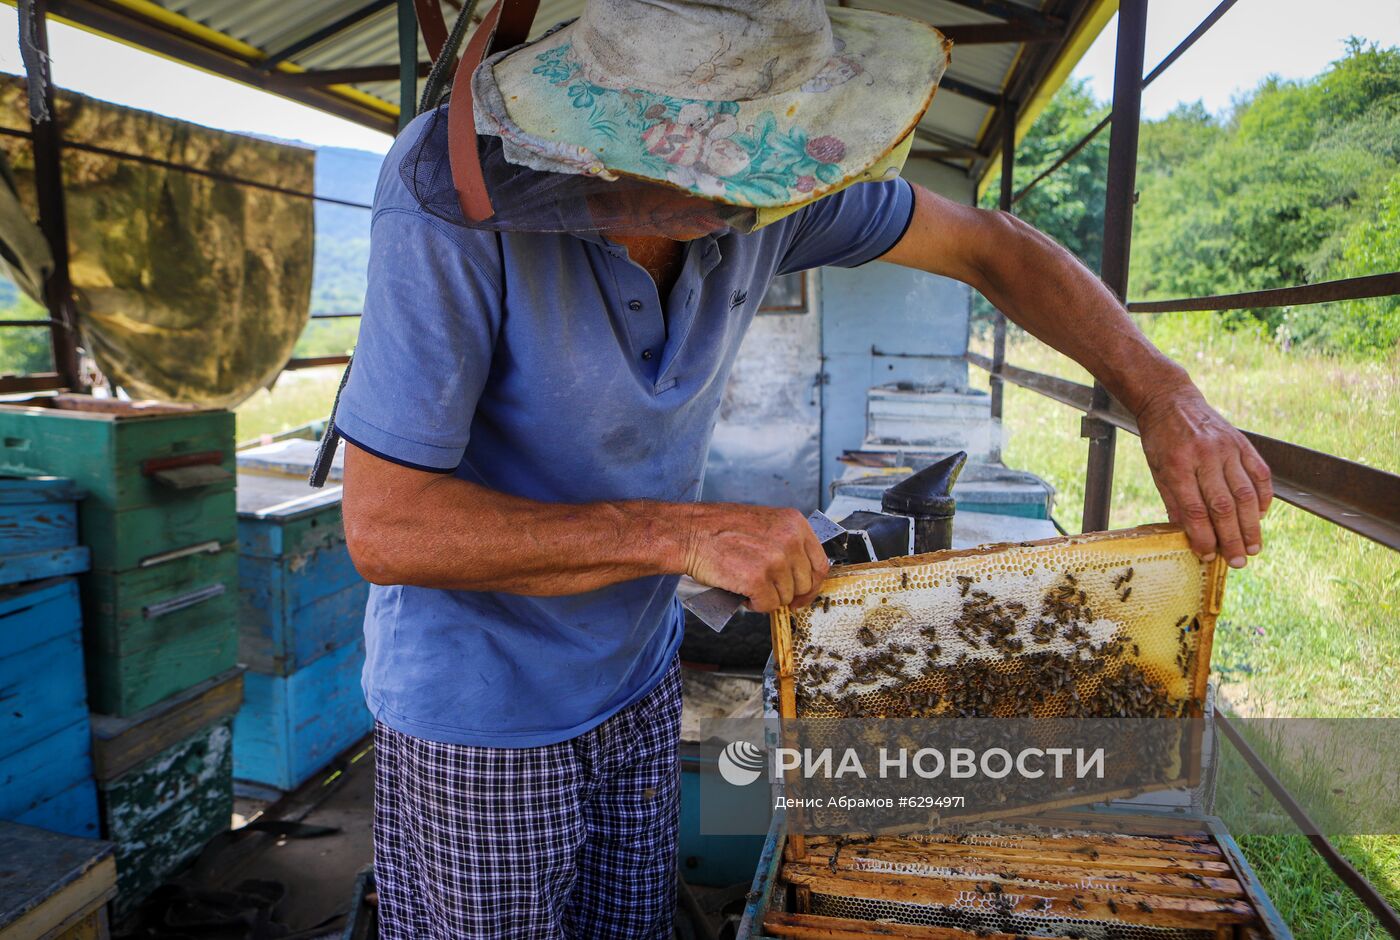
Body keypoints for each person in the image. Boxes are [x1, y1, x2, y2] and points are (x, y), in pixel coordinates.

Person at [335, 1, 1273, 936]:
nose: (720, 207)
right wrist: (684, 533)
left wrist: (1163, 394)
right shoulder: (445, 195)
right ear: (600, 131)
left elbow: (991, 247)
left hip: (637, 675)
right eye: (681, 172)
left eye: (736, 173)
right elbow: (386, 526)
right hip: (479, 710)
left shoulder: (772, 178)